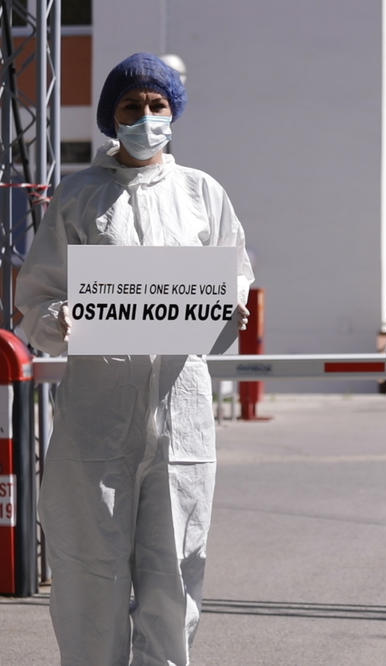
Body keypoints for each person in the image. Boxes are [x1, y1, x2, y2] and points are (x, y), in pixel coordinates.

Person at [16, 52, 254, 665]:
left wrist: (229, 316)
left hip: (183, 420)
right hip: (97, 421)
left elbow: (232, 280)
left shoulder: (203, 193)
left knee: (174, 579)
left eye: (157, 106)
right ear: (109, 117)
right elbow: (35, 301)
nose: (145, 117)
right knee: (88, 583)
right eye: (131, 106)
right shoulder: (79, 196)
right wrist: (58, 320)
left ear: (174, 115)